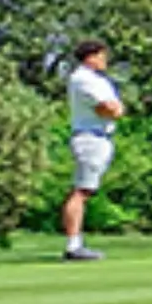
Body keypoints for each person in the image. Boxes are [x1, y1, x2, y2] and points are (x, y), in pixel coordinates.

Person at [61, 40, 124, 262]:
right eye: (101, 55)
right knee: (82, 191)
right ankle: (73, 246)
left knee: (86, 190)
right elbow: (108, 109)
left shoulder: (96, 79)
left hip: (100, 137)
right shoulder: (83, 79)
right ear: (91, 56)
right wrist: (115, 109)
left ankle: (75, 244)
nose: (104, 60)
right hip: (90, 137)